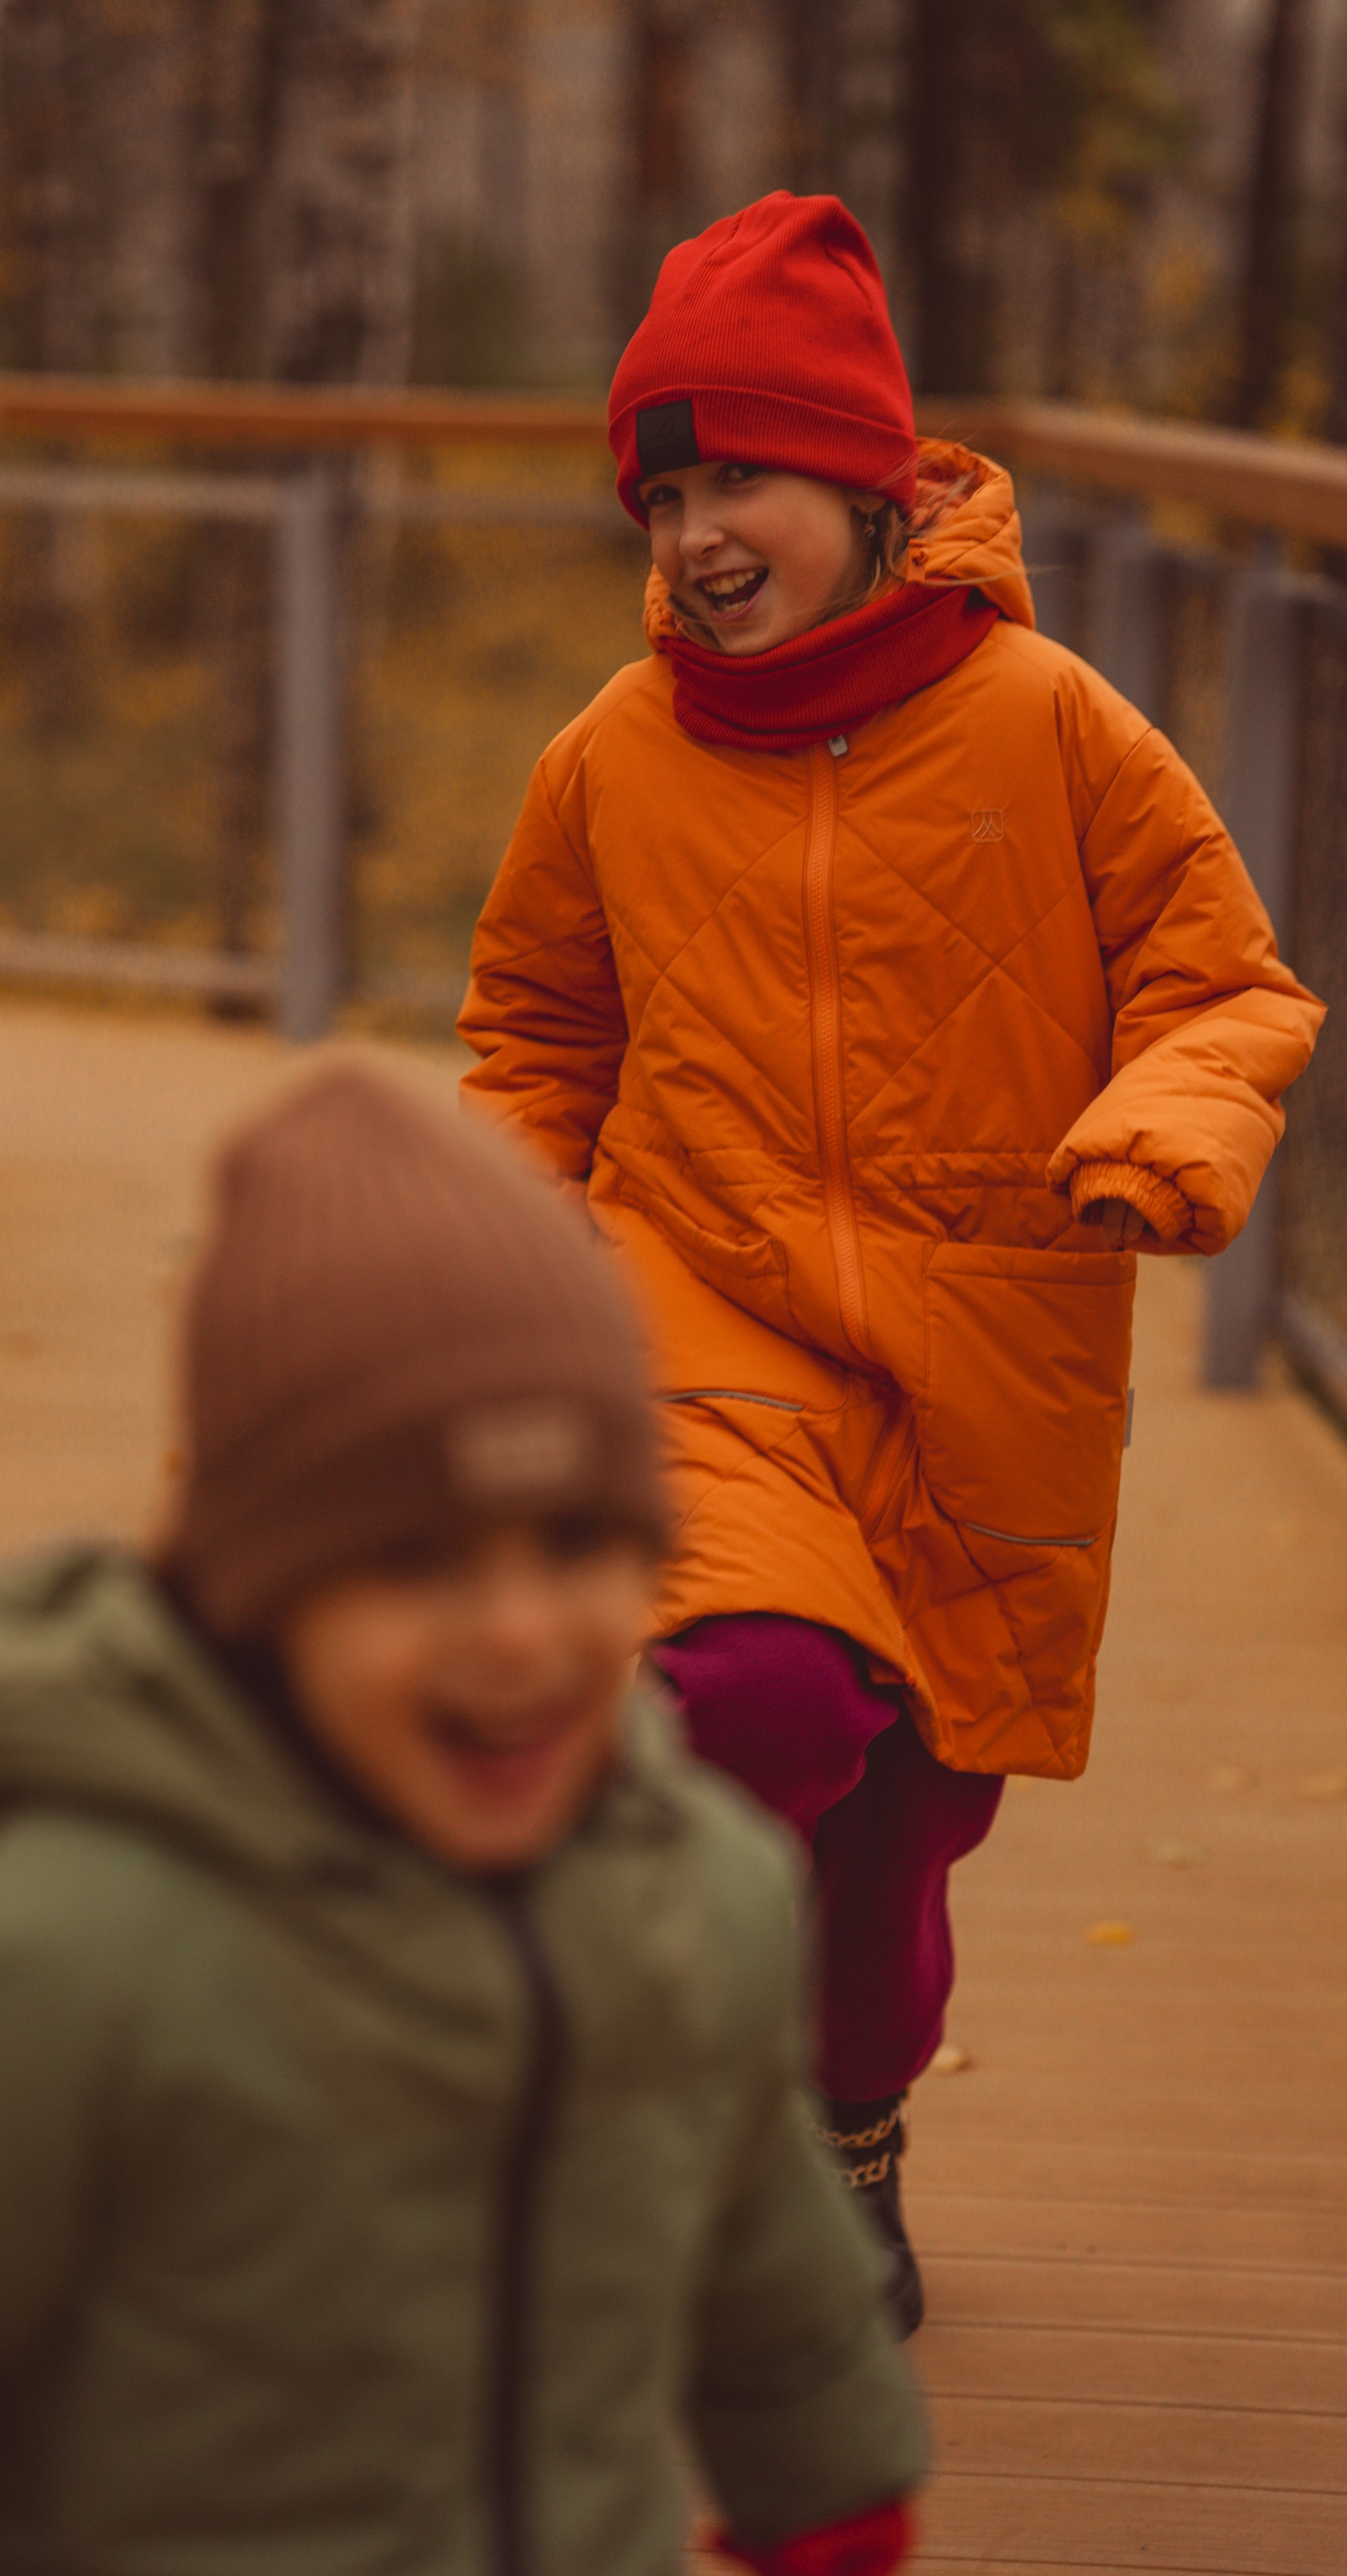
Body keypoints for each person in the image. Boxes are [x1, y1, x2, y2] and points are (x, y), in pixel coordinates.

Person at [0, 1063, 927, 2576]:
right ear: (253, 1589)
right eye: (410, 1559)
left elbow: (747, 2192)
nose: (512, 1630)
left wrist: (825, 2462)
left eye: (575, 1544)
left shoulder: (688, 1878)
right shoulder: (65, 1953)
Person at [460, 192, 1324, 2335]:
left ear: (867, 479)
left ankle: (844, 2137)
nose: (694, 538)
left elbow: (1224, 984)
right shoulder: (614, 755)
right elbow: (539, 1034)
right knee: (745, 1691)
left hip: (987, 1343)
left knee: (899, 1832)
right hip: (705, 1304)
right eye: (659, 498)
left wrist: (1159, 1131)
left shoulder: (1055, 724)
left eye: (735, 478)